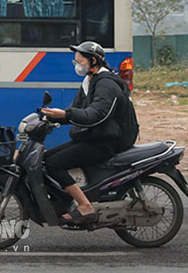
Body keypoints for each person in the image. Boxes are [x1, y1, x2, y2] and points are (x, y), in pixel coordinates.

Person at [41, 41, 131, 223]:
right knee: (44, 159)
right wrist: (50, 117)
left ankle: (85, 206)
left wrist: (66, 114)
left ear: (93, 61)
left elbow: (96, 115)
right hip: (94, 137)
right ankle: (64, 199)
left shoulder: (106, 84)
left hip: (106, 142)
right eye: (76, 62)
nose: (77, 65)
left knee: (54, 164)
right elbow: (77, 110)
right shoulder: (89, 81)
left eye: (80, 62)